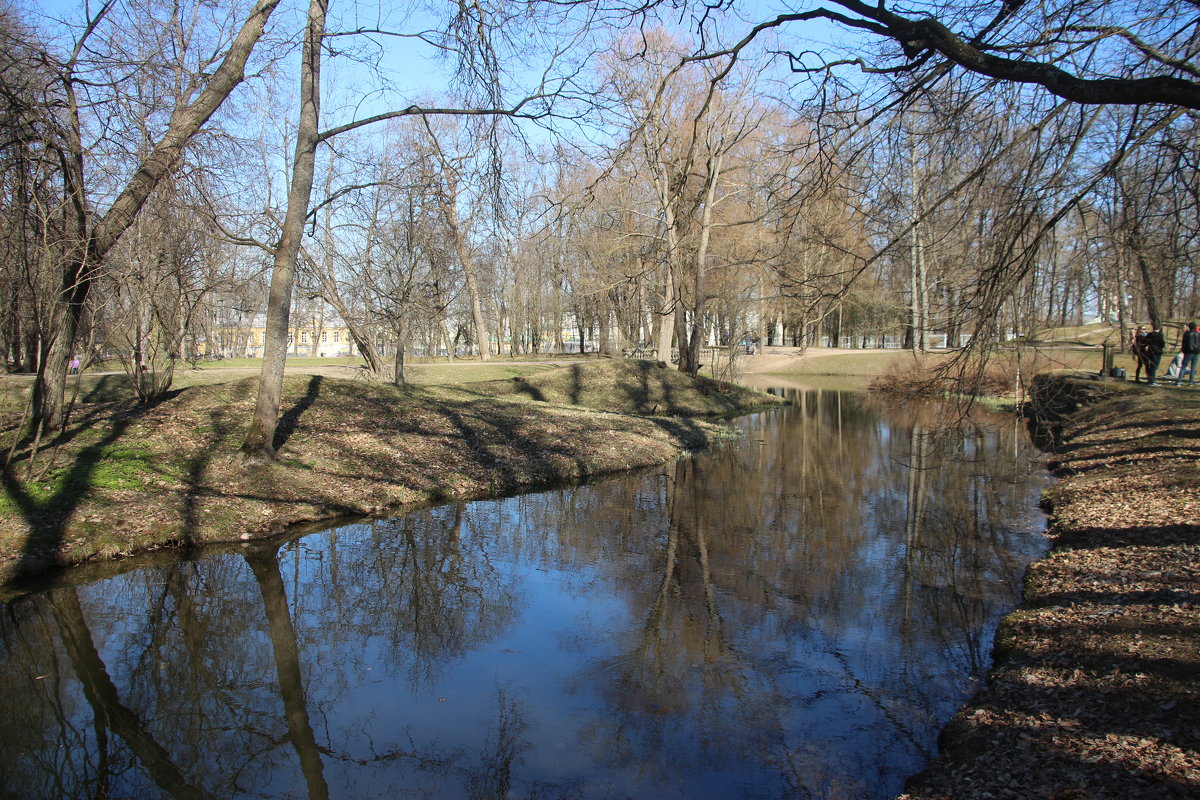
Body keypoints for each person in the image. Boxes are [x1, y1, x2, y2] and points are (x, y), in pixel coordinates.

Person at [1174, 321, 1199, 386]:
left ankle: (1179, 381)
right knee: (1193, 367)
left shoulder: (1186, 334)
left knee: (1183, 366)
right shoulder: (1198, 334)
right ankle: (1191, 382)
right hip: (1196, 352)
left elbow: (1184, 343)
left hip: (1188, 352)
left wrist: (1183, 350)